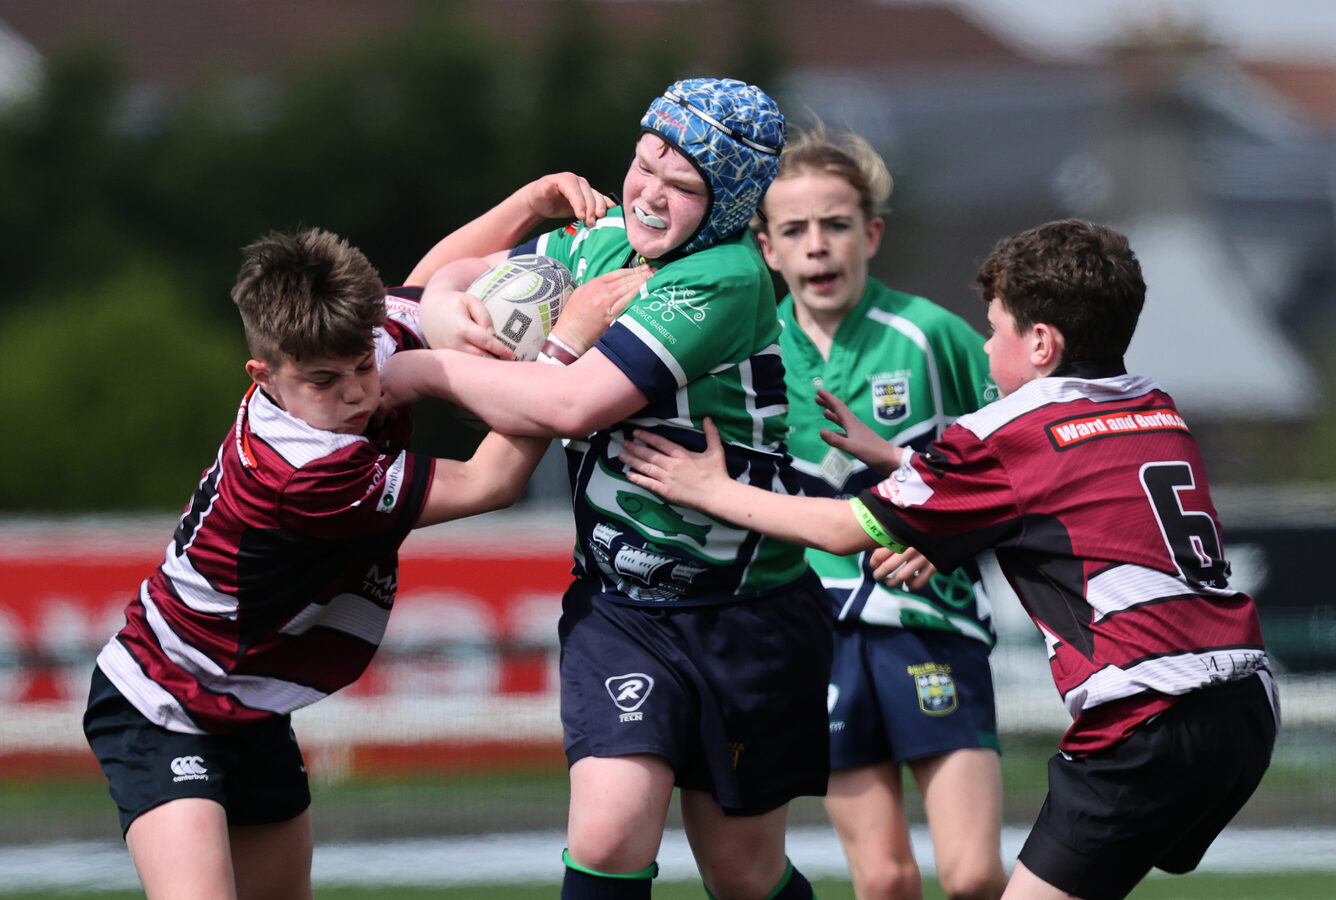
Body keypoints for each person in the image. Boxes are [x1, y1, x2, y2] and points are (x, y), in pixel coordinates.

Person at [619, 219, 1279, 900]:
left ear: (1042, 344)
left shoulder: (1005, 431)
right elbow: (1068, 501)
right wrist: (905, 468)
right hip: (1246, 706)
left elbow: (844, 530)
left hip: (1143, 717)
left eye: (994, 331)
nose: (986, 348)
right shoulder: (1155, 408)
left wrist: (713, 490)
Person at [81, 221, 636, 900]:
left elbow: (421, 289)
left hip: (250, 706)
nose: (354, 394)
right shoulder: (303, 472)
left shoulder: (347, 343)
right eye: (323, 381)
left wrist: (533, 199)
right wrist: (563, 350)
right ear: (264, 376)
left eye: (363, 369)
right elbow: (490, 482)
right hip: (163, 699)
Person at [380, 77, 831, 899]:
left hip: (746, 611)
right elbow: (433, 282)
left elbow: (568, 405)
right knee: (609, 831)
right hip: (621, 607)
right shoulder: (603, 242)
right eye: (644, 164)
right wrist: (446, 310)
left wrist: (422, 370)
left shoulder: (725, 276)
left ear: (729, 204)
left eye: (682, 185)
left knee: (742, 872)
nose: (649, 195)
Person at [755, 124, 1007, 900]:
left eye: (835, 225)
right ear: (768, 248)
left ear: (870, 234)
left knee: (972, 877)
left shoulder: (932, 336)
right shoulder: (751, 350)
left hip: (933, 622)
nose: (816, 246)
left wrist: (949, 537)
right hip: (814, 635)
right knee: (886, 880)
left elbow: (1018, 468)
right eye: (794, 230)